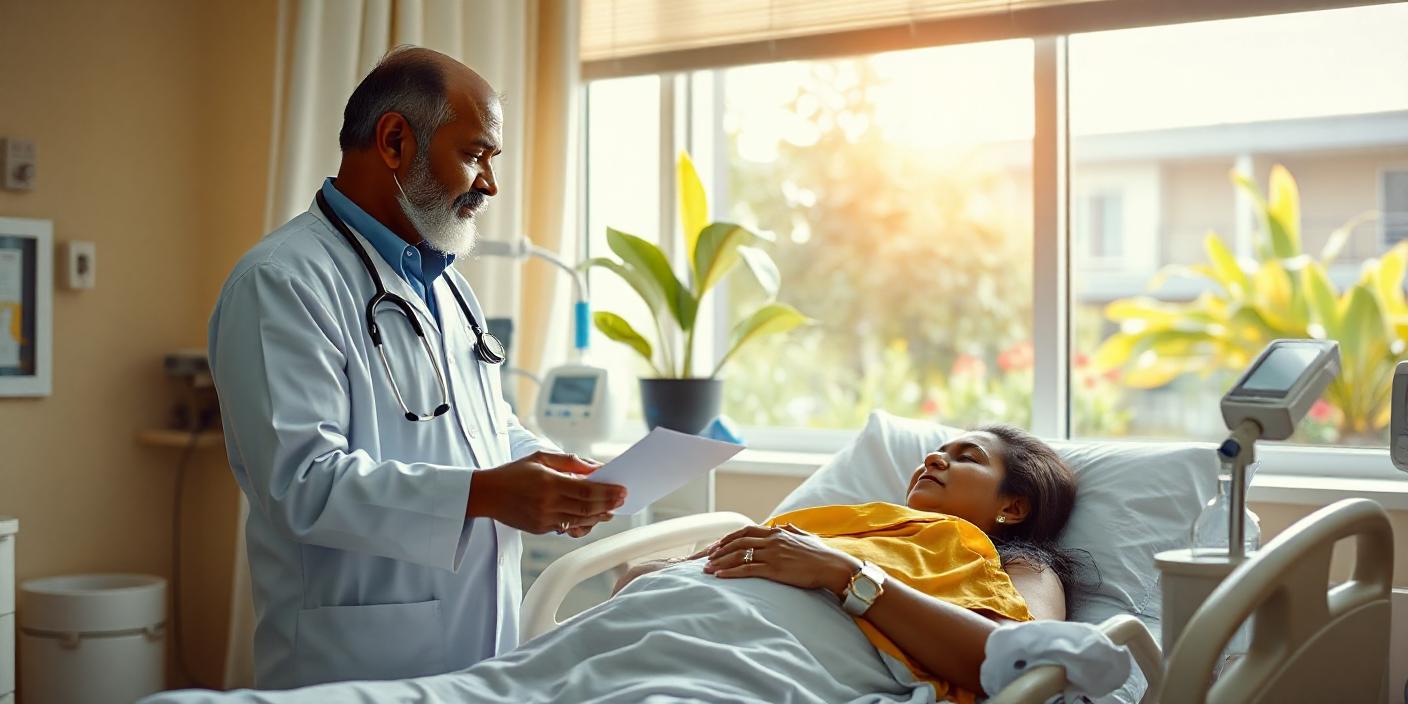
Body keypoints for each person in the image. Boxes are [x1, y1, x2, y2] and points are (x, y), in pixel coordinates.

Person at [208, 46, 626, 689]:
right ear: (396, 140)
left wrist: (545, 463)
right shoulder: (282, 281)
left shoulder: (446, 284)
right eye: (476, 154)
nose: (490, 183)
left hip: (476, 653)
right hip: (353, 663)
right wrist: (487, 494)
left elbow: (481, 428)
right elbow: (301, 483)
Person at [146, 424, 1081, 704]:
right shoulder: (853, 516)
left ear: (1012, 503)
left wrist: (841, 576)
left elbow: (1020, 662)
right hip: (622, 646)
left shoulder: (1011, 559)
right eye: (937, 446)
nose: (934, 457)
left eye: (965, 457)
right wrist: (664, 581)